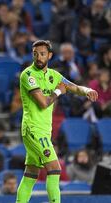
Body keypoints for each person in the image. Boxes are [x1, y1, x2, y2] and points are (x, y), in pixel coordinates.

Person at [16, 40, 98, 203]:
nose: (38, 57)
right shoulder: (28, 75)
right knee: (54, 168)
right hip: (33, 129)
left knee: (31, 172)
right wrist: (58, 92)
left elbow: (72, 87)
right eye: (35, 54)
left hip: (43, 130)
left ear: (50, 55)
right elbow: (44, 102)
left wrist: (87, 90)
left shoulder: (54, 76)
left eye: (42, 54)